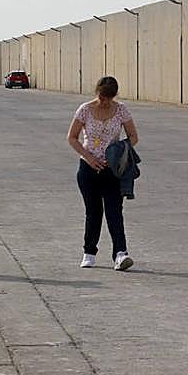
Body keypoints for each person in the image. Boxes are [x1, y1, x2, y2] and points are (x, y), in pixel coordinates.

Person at [66, 76, 139, 271]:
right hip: (88, 169)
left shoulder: (121, 110)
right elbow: (72, 137)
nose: (104, 102)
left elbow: (133, 136)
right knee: (93, 211)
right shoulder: (85, 110)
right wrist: (89, 157)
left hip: (112, 170)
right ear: (97, 92)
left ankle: (120, 254)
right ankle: (89, 252)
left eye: (108, 98)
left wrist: (119, 152)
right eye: (102, 97)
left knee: (115, 212)